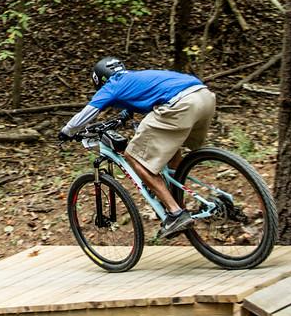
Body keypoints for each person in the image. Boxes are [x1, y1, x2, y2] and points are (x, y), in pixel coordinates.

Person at [58, 57, 217, 236]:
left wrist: (67, 131)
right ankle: (192, 198)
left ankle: (176, 213)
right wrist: (125, 114)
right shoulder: (136, 77)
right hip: (204, 96)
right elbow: (148, 94)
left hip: (181, 105)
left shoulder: (113, 85)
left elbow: (89, 111)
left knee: (134, 156)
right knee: (173, 151)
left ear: (101, 79)